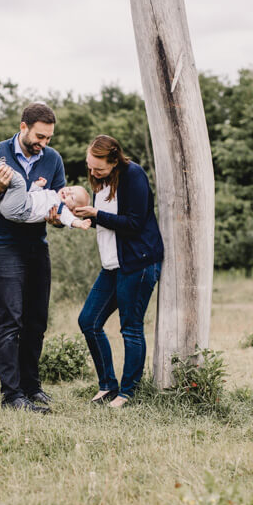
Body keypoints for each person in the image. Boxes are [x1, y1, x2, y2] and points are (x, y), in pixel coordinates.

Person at [0, 102, 65, 413]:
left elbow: (60, 200)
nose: (44, 143)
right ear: (23, 127)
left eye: (49, 138)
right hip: (3, 244)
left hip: (37, 244)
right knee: (10, 319)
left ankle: (31, 386)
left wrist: (58, 217)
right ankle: (11, 395)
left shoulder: (52, 160)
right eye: (40, 136)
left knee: (37, 320)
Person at [74, 135, 164, 408]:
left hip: (137, 263)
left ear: (114, 160)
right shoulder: (101, 181)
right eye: (90, 166)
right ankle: (108, 385)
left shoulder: (133, 175)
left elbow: (134, 223)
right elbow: (105, 222)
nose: (93, 172)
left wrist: (96, 215)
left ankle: (128, 392)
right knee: (88, 321)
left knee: (131, 328)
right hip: (112, 266)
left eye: (98, 167)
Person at [0, 144, 91, 229]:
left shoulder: (61, 209)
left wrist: (80, 223)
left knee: (19, 182)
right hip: (16, 205)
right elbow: (31, 194)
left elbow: (70, 220)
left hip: (20, 210)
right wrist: (37, 185)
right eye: (70, 189)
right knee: (13, 182)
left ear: (72, 209)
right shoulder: (51, 194)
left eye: (72, 197)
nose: (68, 192)